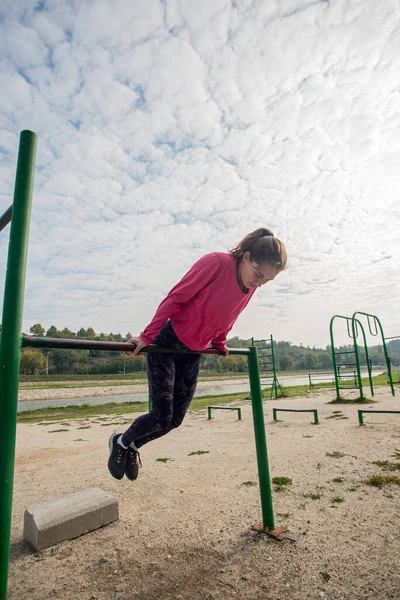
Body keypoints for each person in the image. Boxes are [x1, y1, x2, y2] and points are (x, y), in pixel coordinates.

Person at [108, 227, 287, 481]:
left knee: (176, 419)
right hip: (167, 343)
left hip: (194, 350)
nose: (259, 283)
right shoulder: (216, 263)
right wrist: (147, 337)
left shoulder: (250, 286)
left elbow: (229, 314)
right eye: (258, 274)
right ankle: (121, 442)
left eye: (266, 280)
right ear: (246, 257)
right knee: (162, 414)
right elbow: (176, 297)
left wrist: (220, 341)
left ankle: (134, 447)